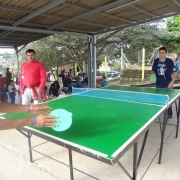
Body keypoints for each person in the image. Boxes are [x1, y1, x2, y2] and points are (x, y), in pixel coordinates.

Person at [152, 46, 177, 119]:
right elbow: (153, 72)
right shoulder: (156, 61)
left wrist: (172, 82)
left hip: (167, 84)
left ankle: (170, 114)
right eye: (160, 53)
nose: (161, 54)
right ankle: (158, 113)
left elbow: (175, 73)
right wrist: (153, 76)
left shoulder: (169, 61)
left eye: (163, 53)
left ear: (166, 53)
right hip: (158, 84)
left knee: (168, 100)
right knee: (158, 99)